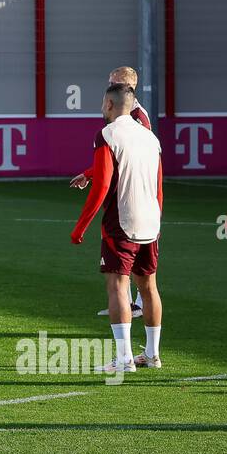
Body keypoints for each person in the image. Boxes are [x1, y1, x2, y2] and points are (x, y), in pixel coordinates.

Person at [71, 84, 165, 372]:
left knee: (117, 286)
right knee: (148, 287)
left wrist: (81, 226)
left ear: (109, 104)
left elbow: (102, 185)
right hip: (151, 220)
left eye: (103, 103)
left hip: (122, 223)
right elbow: (159, 185)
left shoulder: (107, 135)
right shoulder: (150, 137)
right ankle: (151, 354)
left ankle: (124, 359)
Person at [70, 66, 151, 320]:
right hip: (141, 200)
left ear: (126, 86)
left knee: (130, 265)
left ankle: (131, 306)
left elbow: (131, 157)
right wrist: (89, 173)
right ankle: (129, 306)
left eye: (113, 81)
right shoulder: (122, 114)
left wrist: (80, 226)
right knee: (135, 265)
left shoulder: (138, 118)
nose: (108, 85)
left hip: (130, 197)